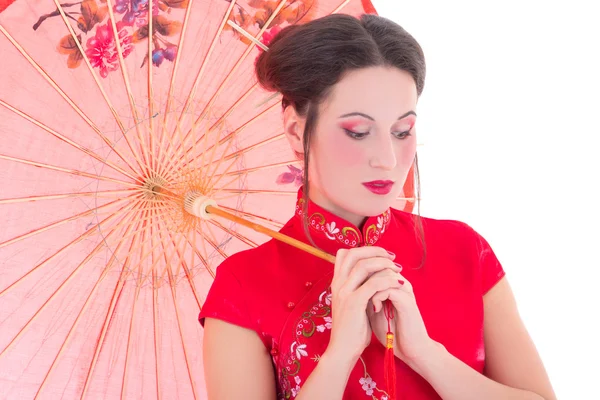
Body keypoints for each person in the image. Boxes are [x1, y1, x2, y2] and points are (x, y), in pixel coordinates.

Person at [199, 13, 556, 400]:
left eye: (402, 131)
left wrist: (425, 354)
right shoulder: (243, 285)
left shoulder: (464, 250)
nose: (387, 158)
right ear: (295, 129)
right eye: (358, 132)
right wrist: (340, 354)